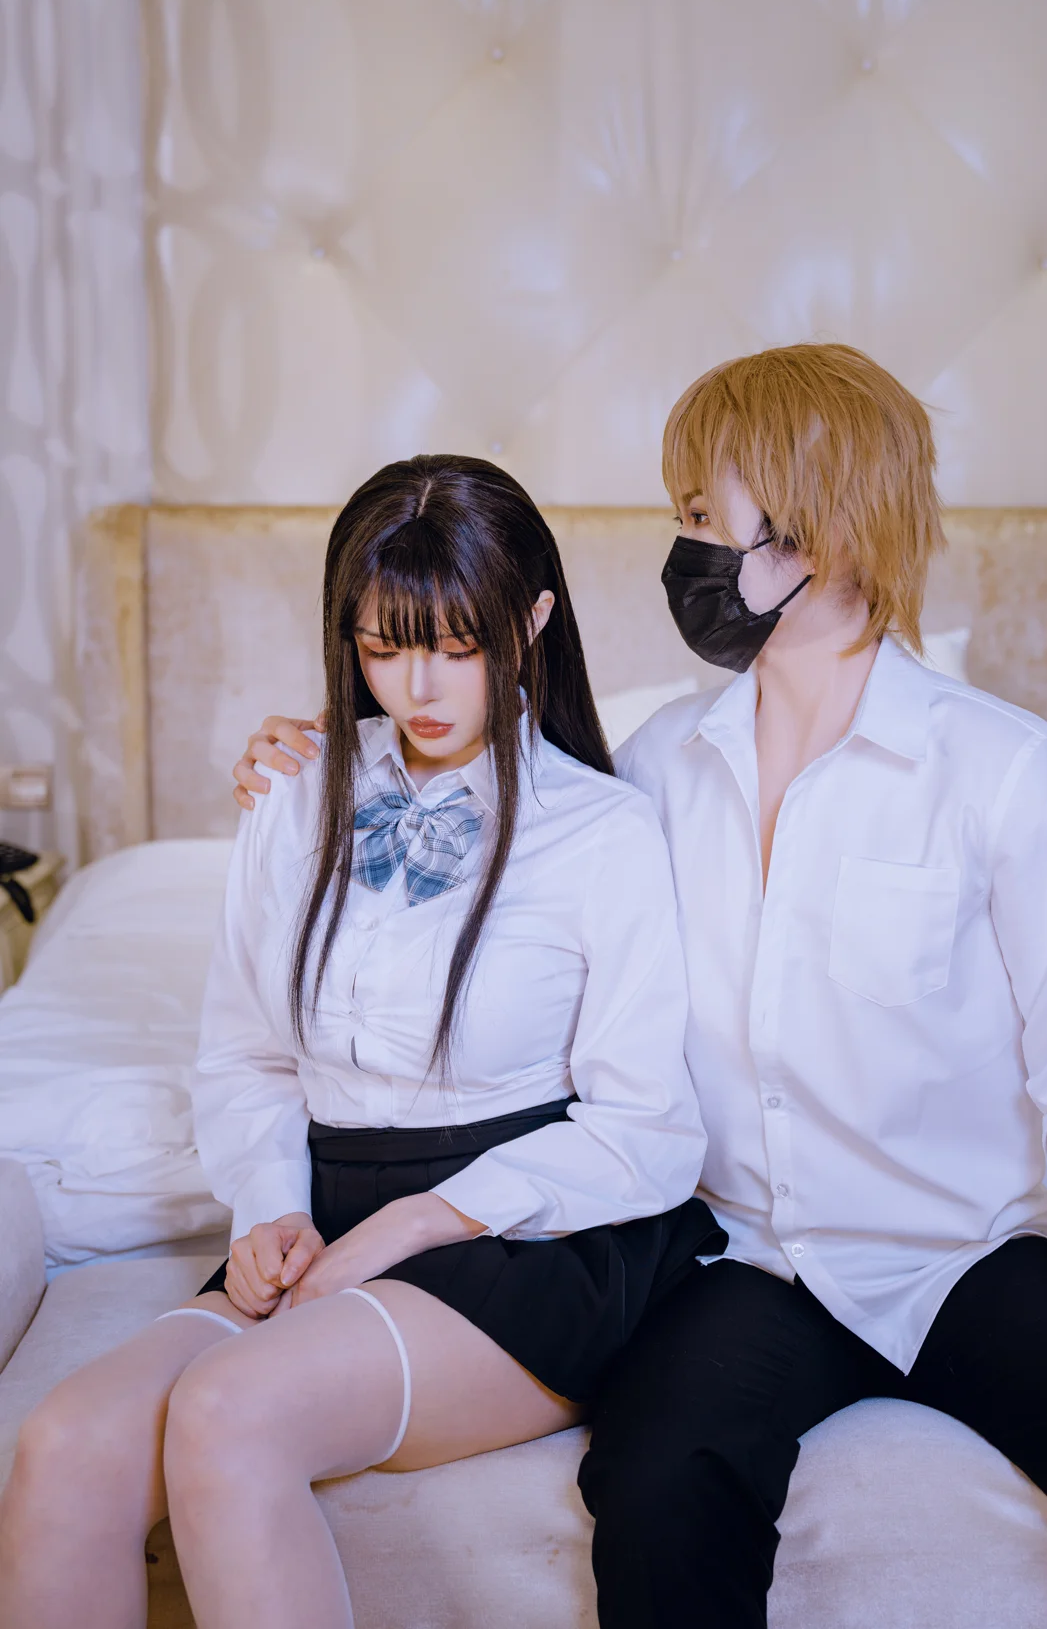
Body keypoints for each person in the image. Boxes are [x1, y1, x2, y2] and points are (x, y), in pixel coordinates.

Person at [226, 345, 1047, 1628]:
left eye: (702, 514)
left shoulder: (1009, 770)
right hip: (739, 1257)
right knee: (656, 1497)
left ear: (820, 530)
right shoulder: (654, 765)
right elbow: (497, 829)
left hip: (963, 1250)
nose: (680, 547)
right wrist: (320, 755)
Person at [0, 455, 719, 1629]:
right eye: (384, 646)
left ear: (533, 619)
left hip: (521, 1232)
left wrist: (412, 1222)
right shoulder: (293, 790)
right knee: (64, 1444)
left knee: (229, 1410)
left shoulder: (604, 831)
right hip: (325, 1207)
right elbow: (247, 1054)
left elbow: (650, 1128)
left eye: (457, 645)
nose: (416, 686)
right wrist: (269, 1208)